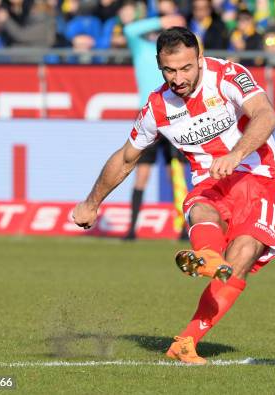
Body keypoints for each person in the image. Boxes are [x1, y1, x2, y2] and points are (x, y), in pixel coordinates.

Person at [72, 26, 275, 365]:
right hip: (208, 180)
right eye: (169, 70)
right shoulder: (157, 106)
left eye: (186, 67)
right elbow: (127, 157)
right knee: (201, 208)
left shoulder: (227, 75)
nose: (179, 77)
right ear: (160, 67)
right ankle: (209, 257)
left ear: (199, 58)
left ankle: (185, 342)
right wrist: (91, 203)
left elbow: (266, 115)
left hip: (259, 176)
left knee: (243, 256)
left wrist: (235, 154)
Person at [121, 11, 190, 240]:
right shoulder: (142, 48)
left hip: (174, 115)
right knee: (141, 172)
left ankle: (183, 227)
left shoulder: (174, 57)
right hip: (148, 115)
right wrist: (163, 20)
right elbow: (130, 30)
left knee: (176, 173)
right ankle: (132, 228)